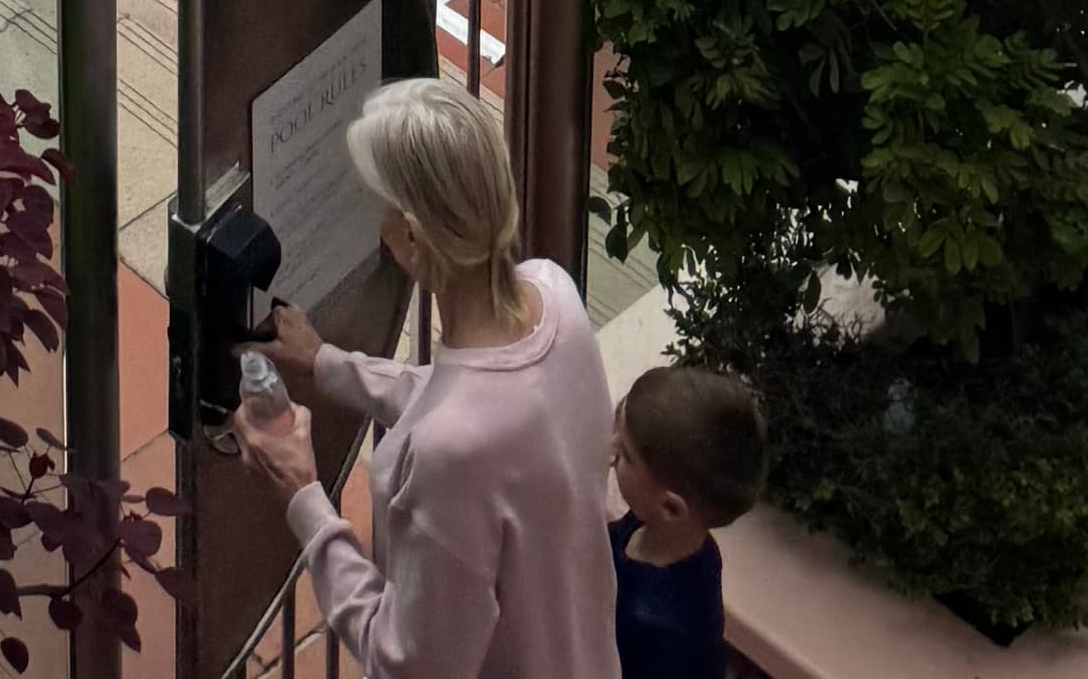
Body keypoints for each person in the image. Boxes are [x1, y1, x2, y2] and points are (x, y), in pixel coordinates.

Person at [232, 77, 620, 679]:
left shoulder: (447, 456)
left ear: (410, 237)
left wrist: (302, 493)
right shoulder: (554, 294)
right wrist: (329, 363)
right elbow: (475, 397)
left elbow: (406, 663)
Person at [607, 360, 762, 679]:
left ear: (671, 508)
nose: (610, 455)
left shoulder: (650, 619)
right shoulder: (670, 534)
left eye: (624, 454)